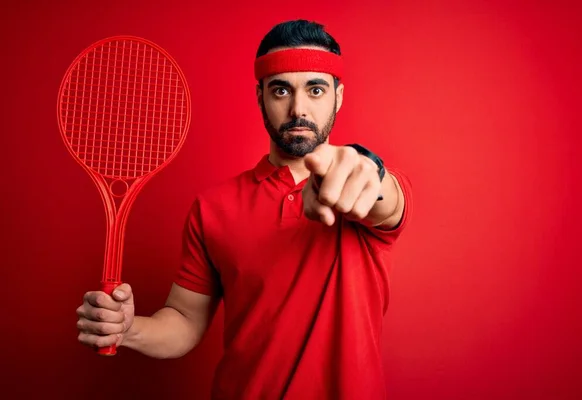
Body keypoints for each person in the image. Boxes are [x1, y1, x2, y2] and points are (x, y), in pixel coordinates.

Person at [76, 19, 413, 400]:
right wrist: (127, 328)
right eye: (281, 90)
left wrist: (368, 168)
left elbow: (384, 200)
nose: (297, 108)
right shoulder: (213, 208)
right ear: (260, 97)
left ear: (338, 96)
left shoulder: (368, 186)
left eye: (315, 89)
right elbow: (185, 320)